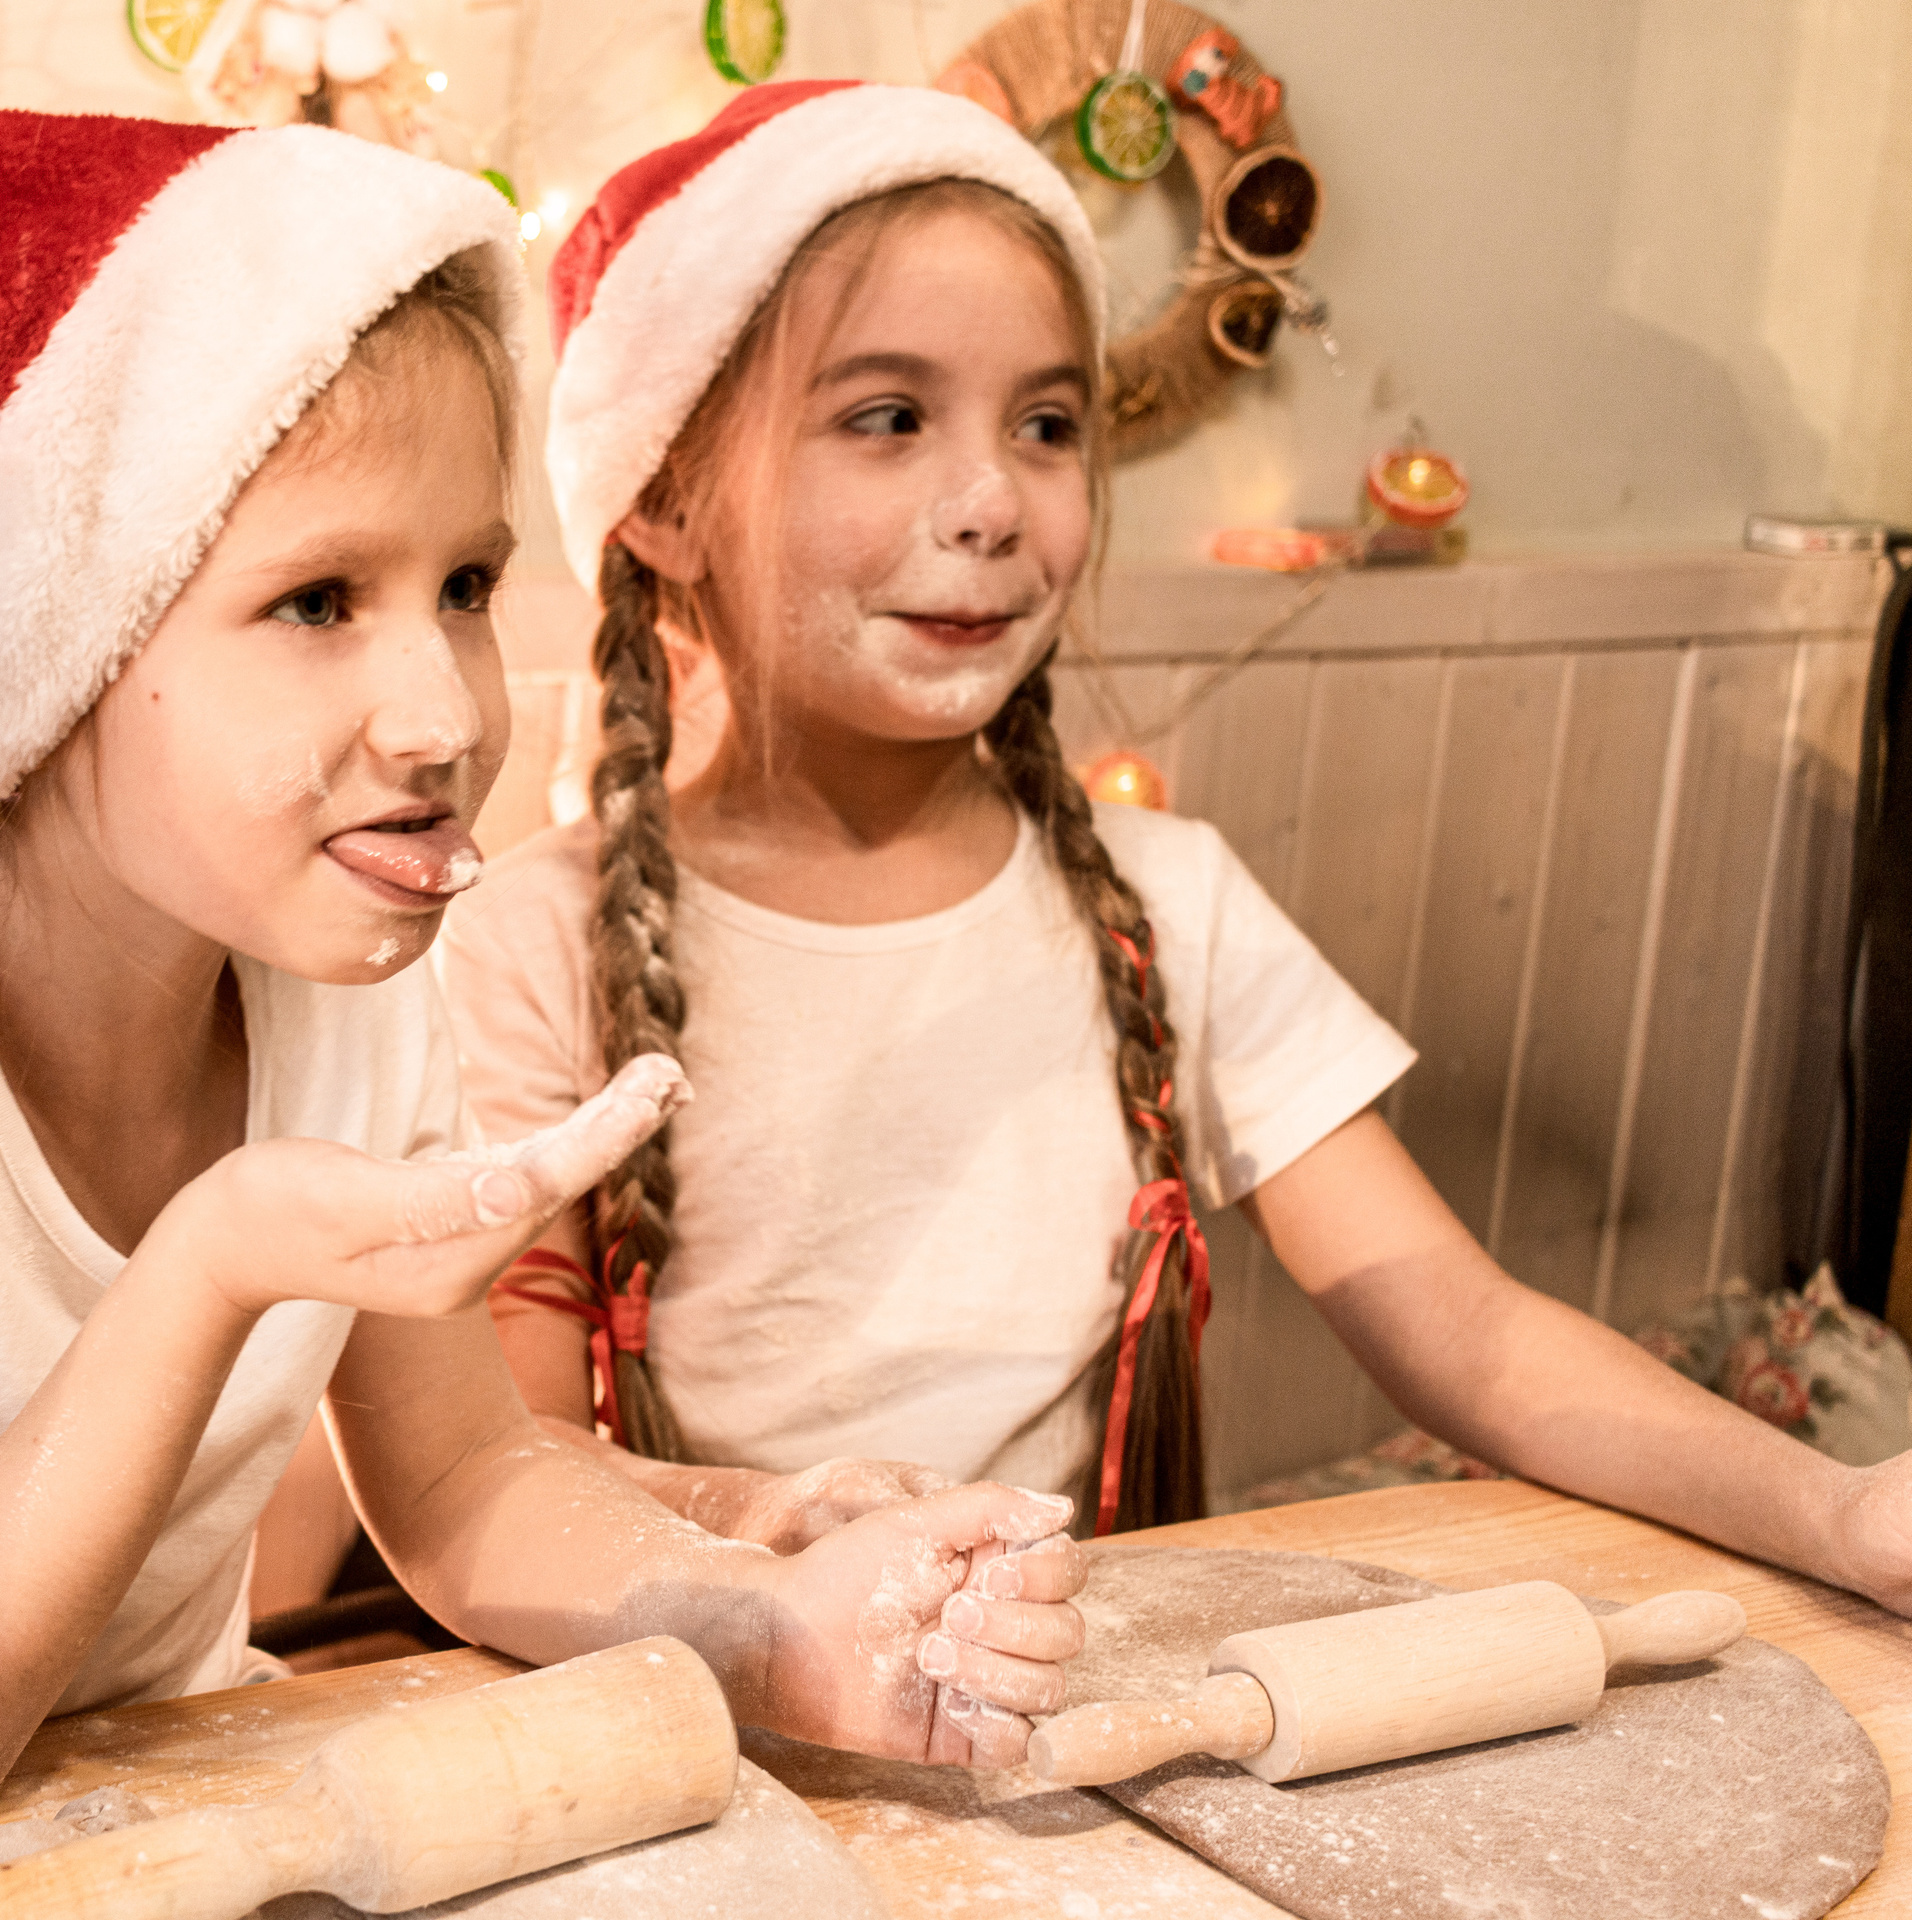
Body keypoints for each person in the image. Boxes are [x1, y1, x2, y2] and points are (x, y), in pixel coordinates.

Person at [0, 107, 1087, 1829]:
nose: (448, 714)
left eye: (467, 584)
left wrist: (763, 1618)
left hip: (114, 1799)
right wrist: (218, 1257)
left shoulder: (343, 990)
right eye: (321, 600)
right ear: (54, 651)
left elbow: (467, 1480)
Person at [443, 81, 1912, 1632]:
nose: (994, 501)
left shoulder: (1168, 902)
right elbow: (509, 1461)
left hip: (1066, 1722)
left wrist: (1840, 1513)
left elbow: (1466, 1336)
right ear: (665, 497)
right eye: (887, 418)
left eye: (1049, 425)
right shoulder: (537, 950)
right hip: (712, 1712)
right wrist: (778, 1566)